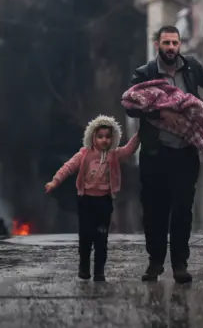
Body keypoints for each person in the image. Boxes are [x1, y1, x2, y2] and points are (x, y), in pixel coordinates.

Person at [126, 25, 203, 284]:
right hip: (155, 153)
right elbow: (131, 107)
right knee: (154, 211)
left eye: (175, 43)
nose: (171, 48)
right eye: (166, 43)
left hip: (186, 152)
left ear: (180, 45)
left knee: (183, 210)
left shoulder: (192, 67)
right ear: (158, 45)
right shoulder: (145, 73)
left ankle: (180, 264)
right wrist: (160, 113)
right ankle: (155, 263)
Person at [45, 115, 140, 282]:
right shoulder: (84, 154)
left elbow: (128, 150)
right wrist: (55, 181)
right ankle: (84, 267)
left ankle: (99, 271)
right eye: (100, 136)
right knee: (86, 236)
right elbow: (68, 167)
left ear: (113, 138)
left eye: (108, 137)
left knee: (101, 238)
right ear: (92, 137)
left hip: (104, 202)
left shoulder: (113, 155)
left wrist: (139, 134)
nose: (104, 140)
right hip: (86, 201)